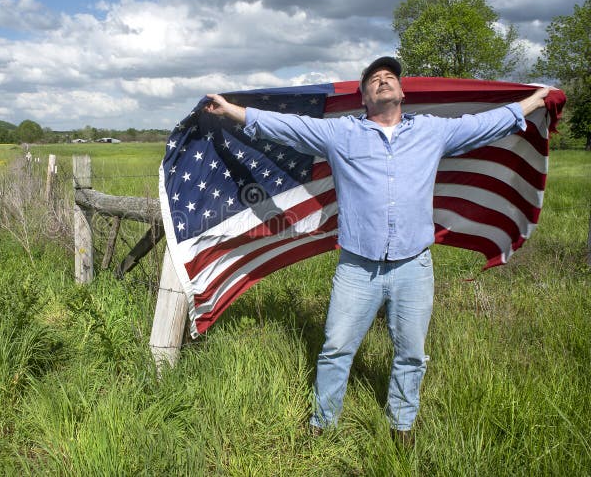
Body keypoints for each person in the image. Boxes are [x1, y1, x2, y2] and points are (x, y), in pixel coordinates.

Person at [204, 57, 551, 445]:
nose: (383, 81)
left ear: (402, 93)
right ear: (364, 98)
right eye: (374, 80)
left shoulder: (432, 132)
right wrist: (232, 110)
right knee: (336, 347)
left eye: (390, 78)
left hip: (413, 264)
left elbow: (483, 124)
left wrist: (534, 101)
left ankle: (402, 425)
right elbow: (287, 127)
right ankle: (323, 421)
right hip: (357, 267)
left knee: (411, 352)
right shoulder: (341, 134)